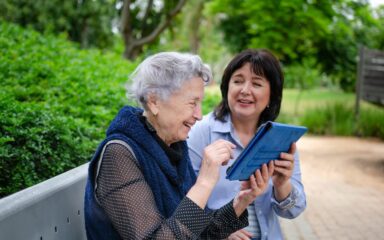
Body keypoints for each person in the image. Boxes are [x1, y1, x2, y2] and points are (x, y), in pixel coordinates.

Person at [84, 52, 275, 240]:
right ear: (154, 101)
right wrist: (204, 183)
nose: (199, 115)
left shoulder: (174, 146)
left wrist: (242, 201)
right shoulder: (118, 155)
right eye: (192, 103)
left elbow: (199, 232)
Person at [187, 49, 307, 240]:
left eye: (257, 83)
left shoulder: (280, 139)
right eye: (238, 81)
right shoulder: (201, 132)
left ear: (272, 95)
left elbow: (293, 211)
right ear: (227, 88)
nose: (245, 90)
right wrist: (218, 228)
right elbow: (182, 203)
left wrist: (282, 184)